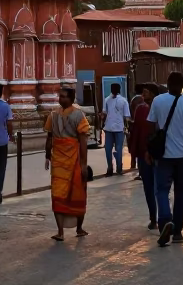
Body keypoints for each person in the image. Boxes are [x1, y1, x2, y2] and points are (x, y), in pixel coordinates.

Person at [146, 71, 183, 248]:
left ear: (167, 85)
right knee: (180, 193)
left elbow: (150, 127)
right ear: (182, 86)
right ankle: (177, 232)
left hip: (163, 156)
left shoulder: (158, 101)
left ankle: (165, 221)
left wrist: (148, 150)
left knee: (161, 190)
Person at [44, 85, 90, 242]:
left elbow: (83, 141)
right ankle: (60, 231)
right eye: (60, 96)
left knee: (78, 193)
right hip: (58, 161)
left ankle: (79, 228)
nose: (61, 99)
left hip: (74, 159)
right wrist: (47, 156)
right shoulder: (53, 115)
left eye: (64, 96)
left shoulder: (78, 115)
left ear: (71, 98)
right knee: (57, 194)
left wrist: (83, 164)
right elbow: (49, 137)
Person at [128, 83, 159, 229]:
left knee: (159, 187)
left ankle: (162, 216)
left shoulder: (159, 109)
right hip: (143, 153)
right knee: (148, 187)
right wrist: (133, 155)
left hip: (158, 153)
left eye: (146, 92)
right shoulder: (140, 109)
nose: (143, 95)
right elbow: (136, 132)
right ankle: (153, 217)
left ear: (153, 94)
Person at [100, 83, 130, 177]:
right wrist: (101, 120)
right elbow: (104, 113)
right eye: (113, 88)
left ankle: (119, 168)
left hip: (119, 128)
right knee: (108, 149)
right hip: (108, 128)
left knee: (118, 149)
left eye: (115, 88)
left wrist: (127, 127)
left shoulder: (123, 101)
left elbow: (126, 116)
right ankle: (110, 168)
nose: (114, 90)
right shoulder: (107, 100)